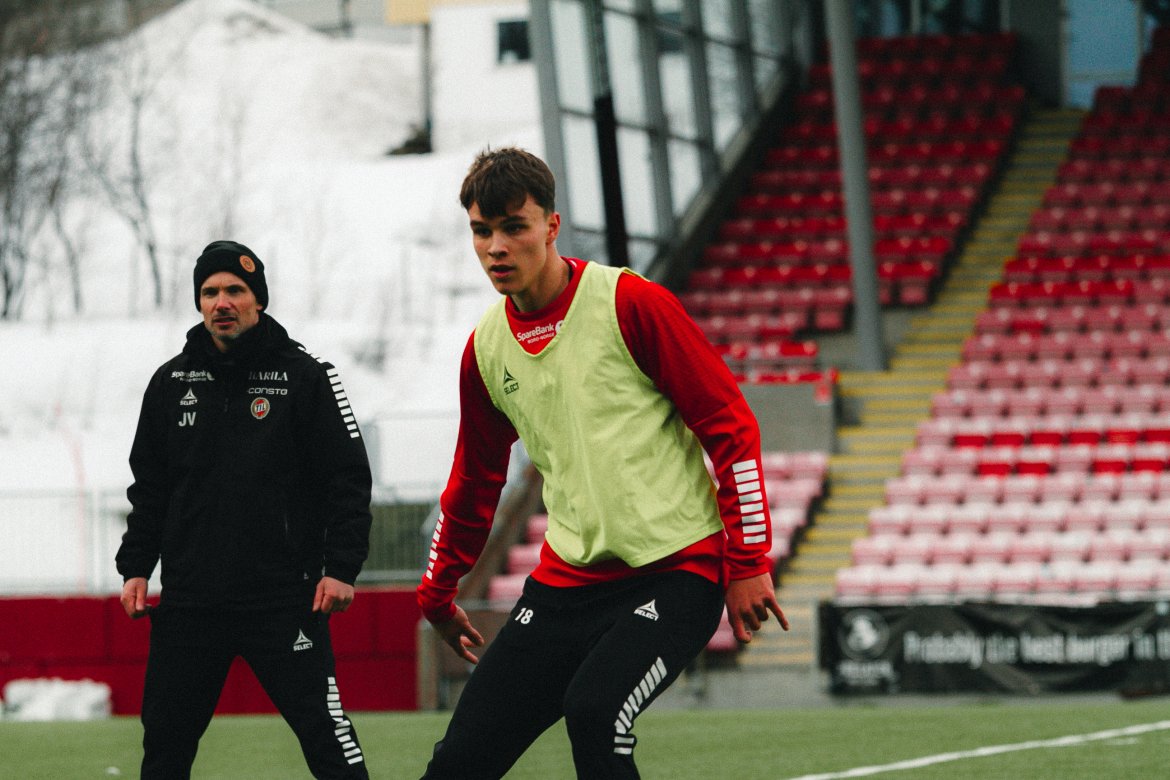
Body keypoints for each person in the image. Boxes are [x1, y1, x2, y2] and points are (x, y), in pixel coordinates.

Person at [417, 148, 788, 779]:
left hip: (676, 573)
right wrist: (438, 590)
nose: (496, 247)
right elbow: (474, 482)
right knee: (459, 762)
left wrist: (749, 561)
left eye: (514, 227)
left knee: (595, 711)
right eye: (482, 231)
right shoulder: (485, 349)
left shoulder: (630, 302)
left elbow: (730, 427)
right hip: (565, 586)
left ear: (551, 226)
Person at [115, 240, 373, 779]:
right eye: (210, 292)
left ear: (259, 299)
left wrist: (342, 568)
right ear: (199, 302)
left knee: (328, 738)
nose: (222, 302)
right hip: (190, 602)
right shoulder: (168, 383)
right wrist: (136, 565)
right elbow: (151, 488)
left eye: (235, 290)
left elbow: (347, 481)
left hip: (283, 599)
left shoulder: (308, 377)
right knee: (164, 746)